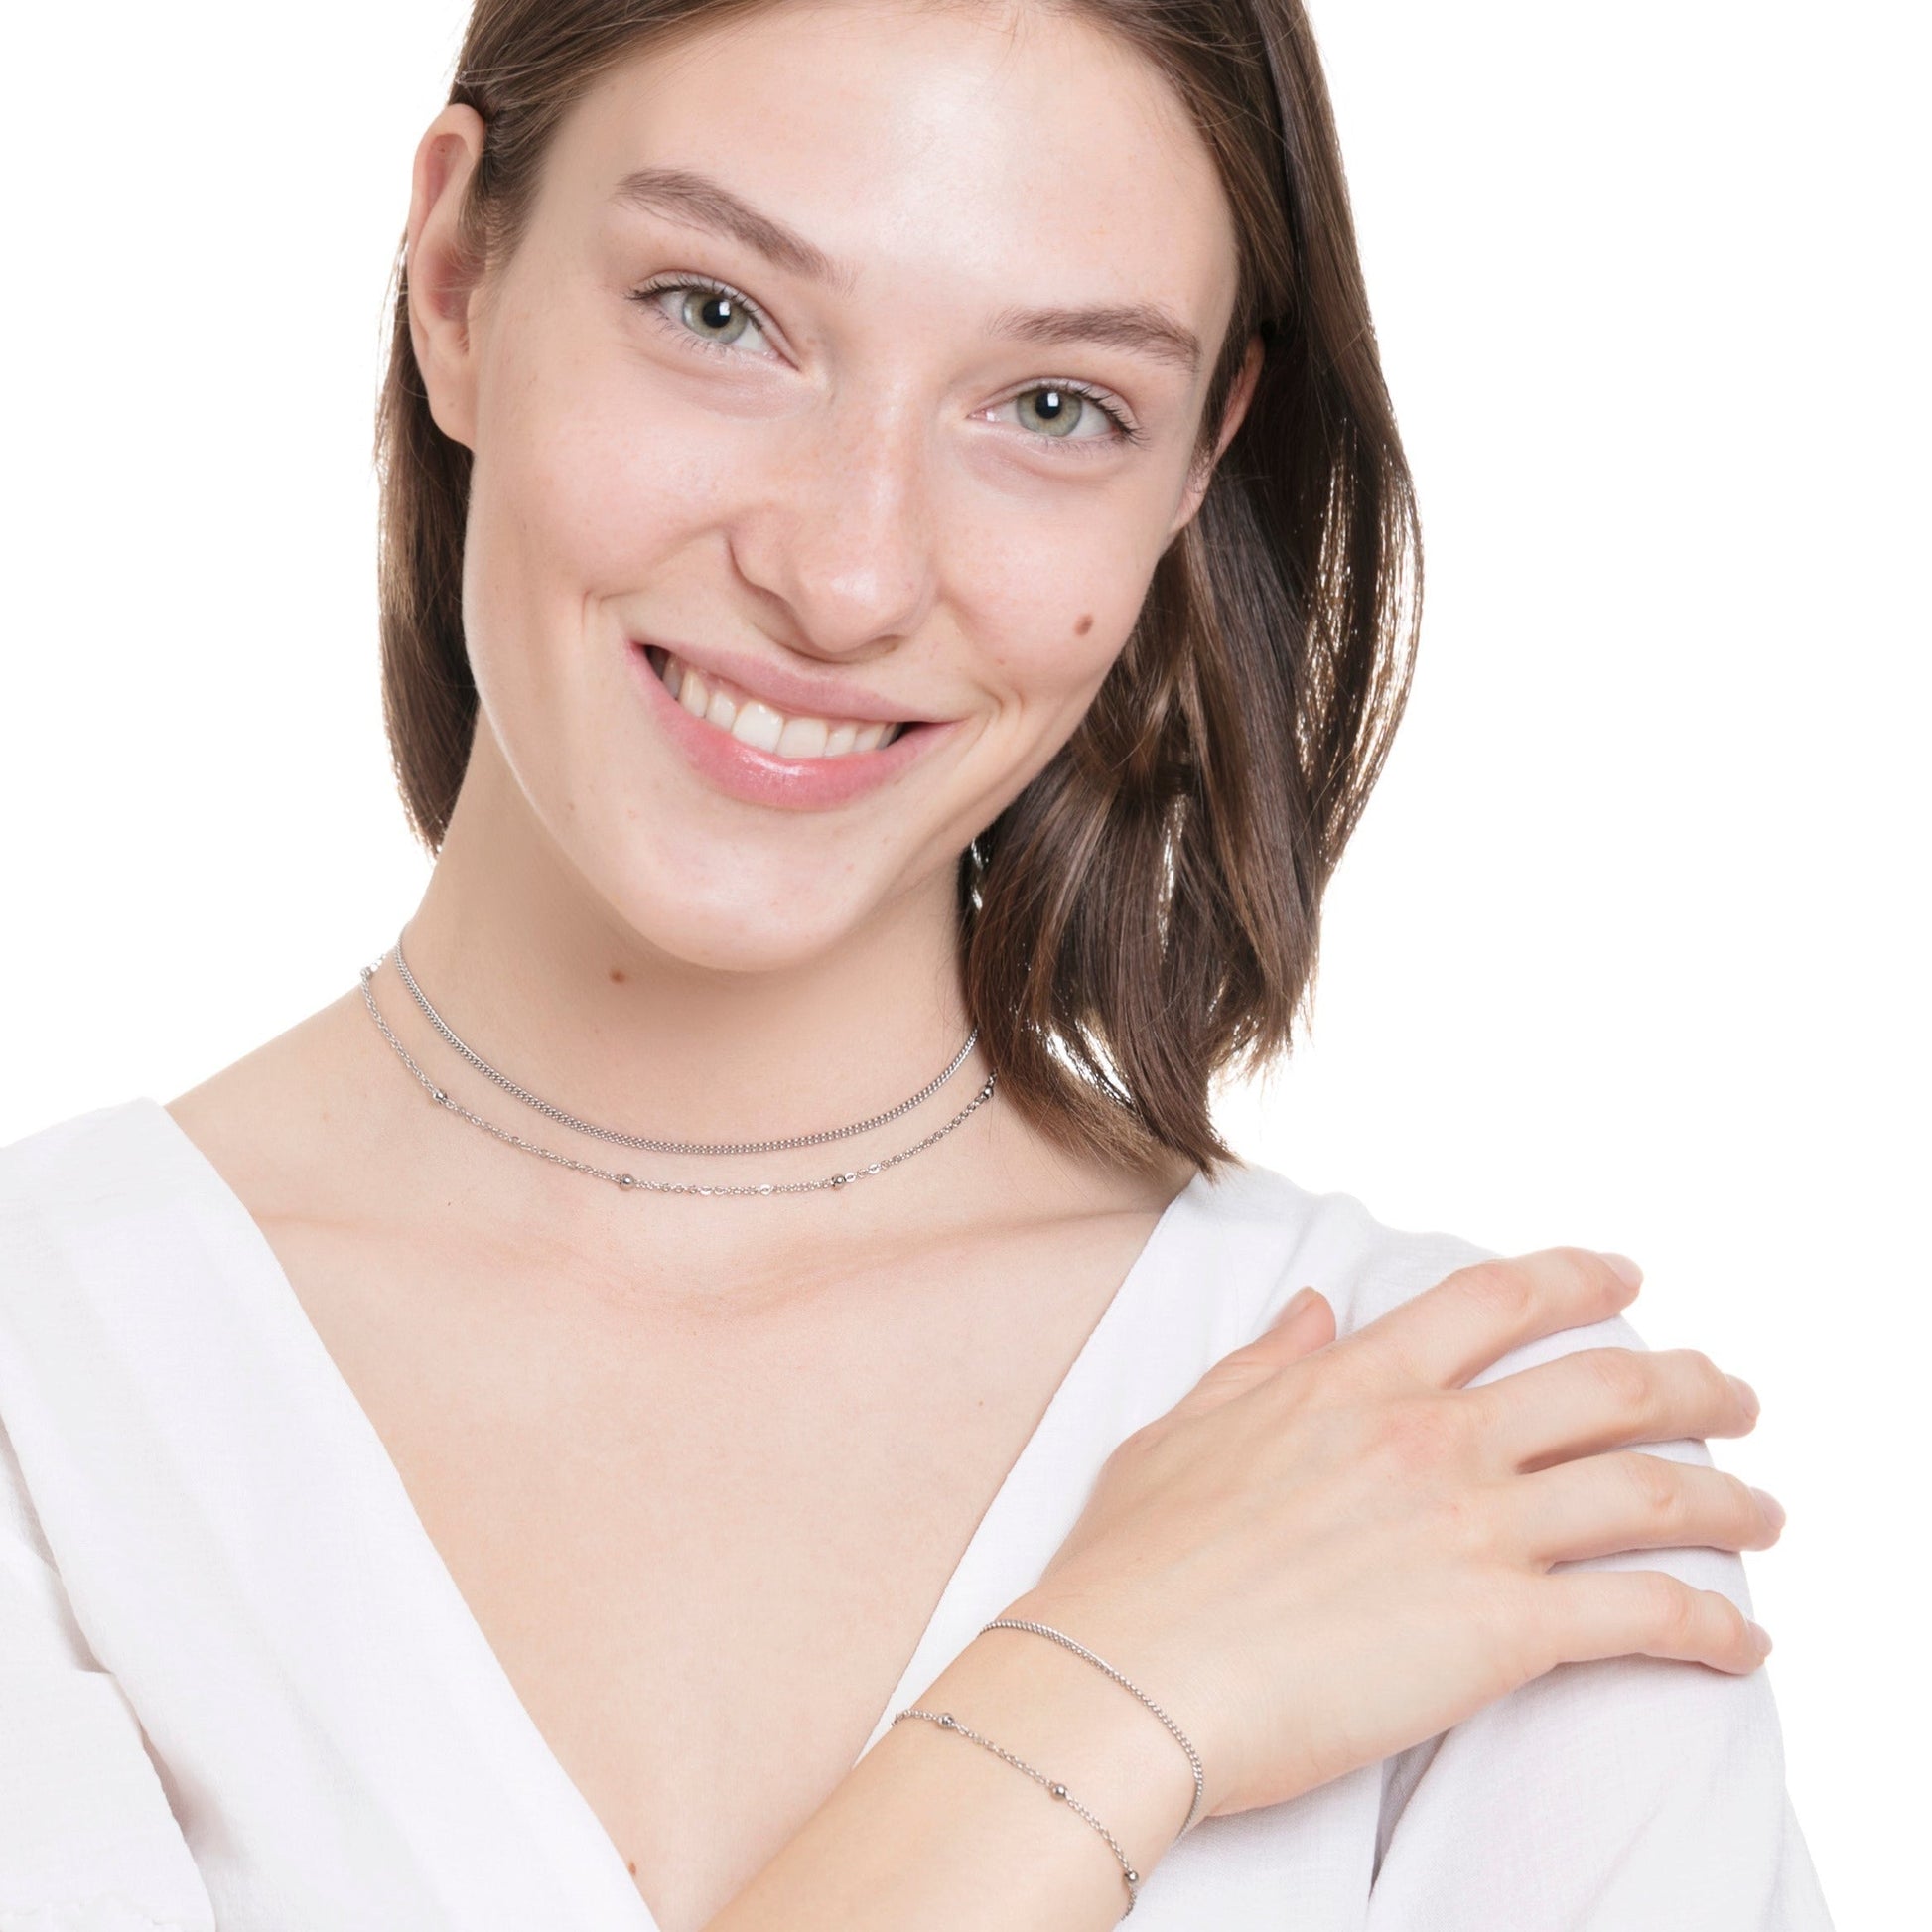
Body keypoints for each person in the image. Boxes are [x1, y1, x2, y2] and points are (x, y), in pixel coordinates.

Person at [0, 0, 1831, 1927]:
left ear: (1195, 458)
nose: (848, 574)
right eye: (719, 313)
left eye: (1054, 407)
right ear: (456, 275)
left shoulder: (1462, 1463)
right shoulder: (50, 1383)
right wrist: (1098, 1702)